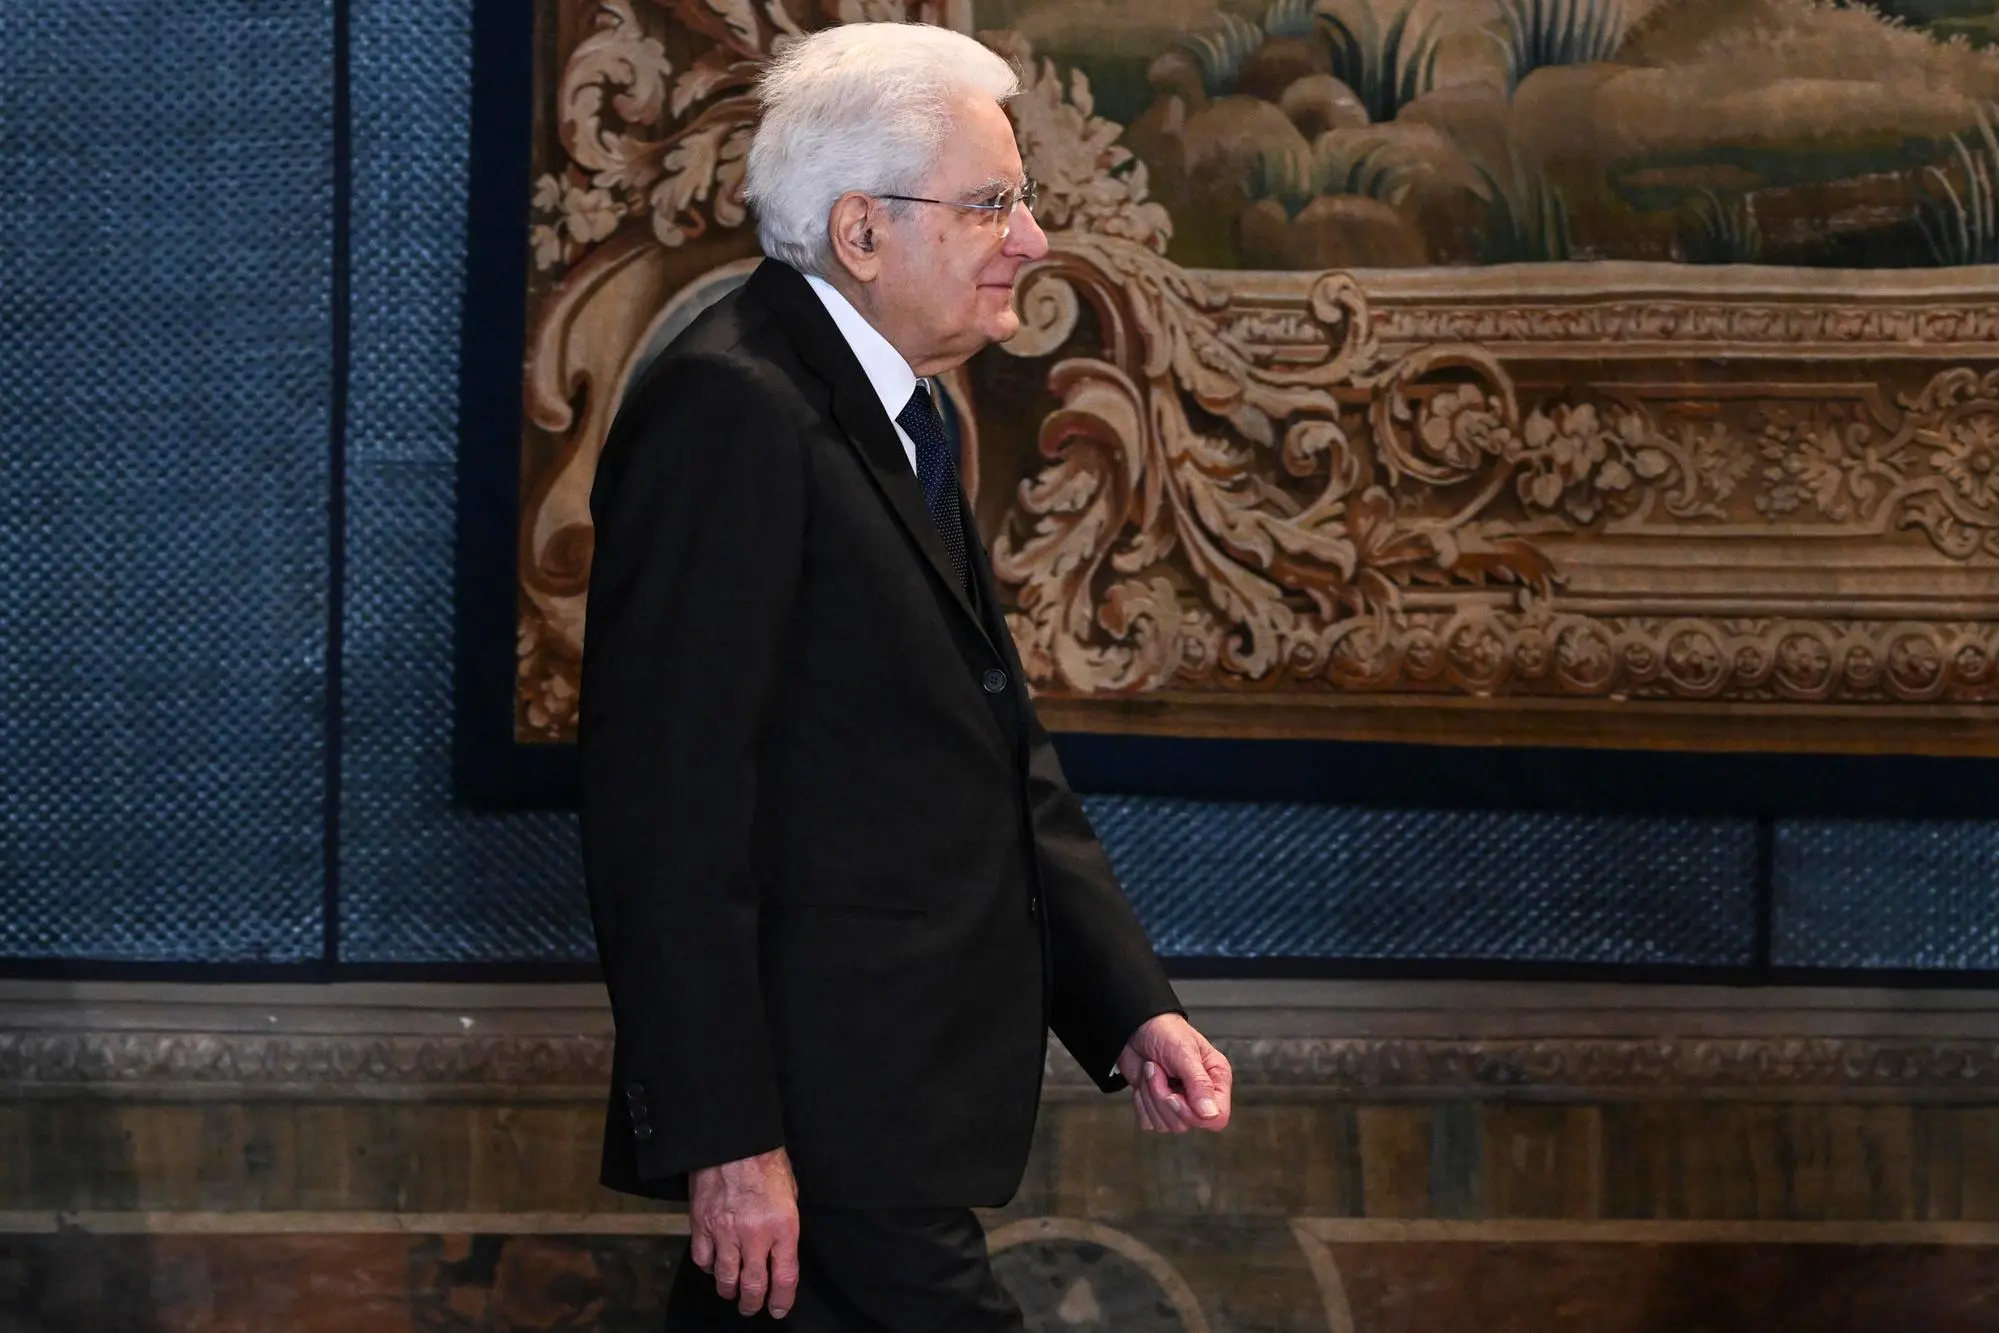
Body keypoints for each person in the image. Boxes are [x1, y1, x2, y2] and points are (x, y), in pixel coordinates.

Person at [578, 21, 1233, 1330]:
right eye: (992, 203)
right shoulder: (733, 411)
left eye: (1023, 202)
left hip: (881, 1116)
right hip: (821, 1128)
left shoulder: (904, 413)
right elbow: (668, 808)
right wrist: (727, 1143)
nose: (1033, 239)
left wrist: (1126, 1012)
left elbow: (997, 761)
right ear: (861, 233)